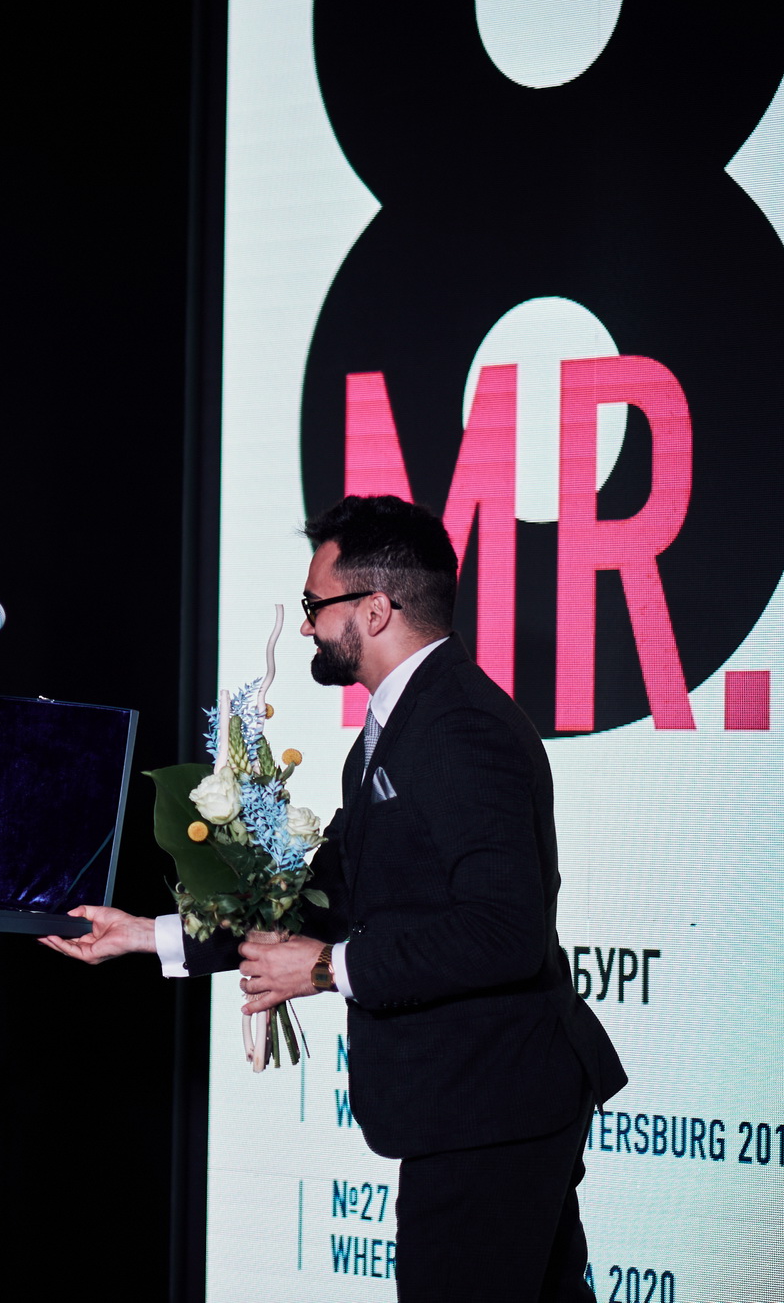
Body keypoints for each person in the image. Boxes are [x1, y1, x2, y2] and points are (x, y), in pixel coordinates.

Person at [44, 494, 625, 1303]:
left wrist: (325, 969)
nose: (307, 626)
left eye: (315, 604)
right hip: (486, 1107)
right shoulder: (396, 728)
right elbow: (323, 898)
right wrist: (149, 935)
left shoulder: (462, 727)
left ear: (376, 609)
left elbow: (504, 930)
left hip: (494, 1107)